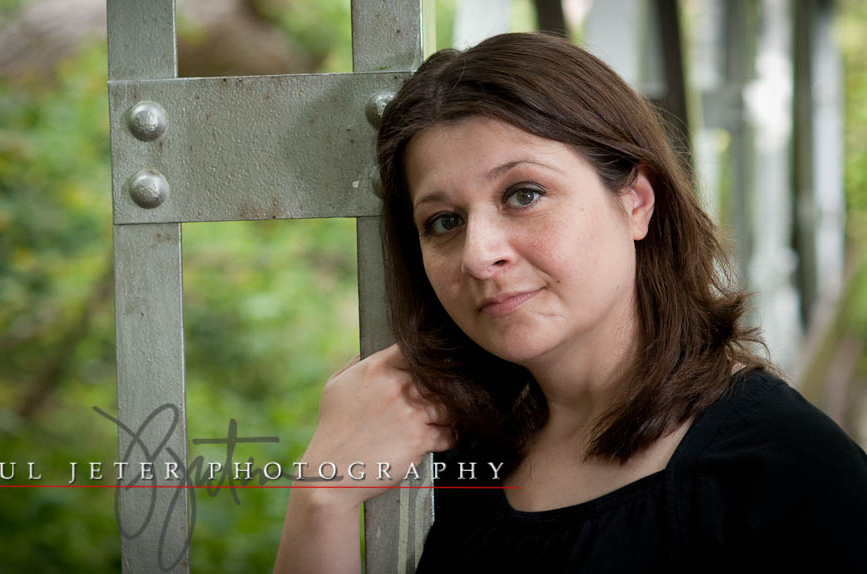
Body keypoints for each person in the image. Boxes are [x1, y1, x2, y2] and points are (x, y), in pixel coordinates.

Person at [274, 33, 867, 573]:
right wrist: (321, 499)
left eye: (524, 194)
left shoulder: (789, 470)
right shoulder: (453, 456)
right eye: (444, 221)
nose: (479, 255)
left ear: (635, 201)